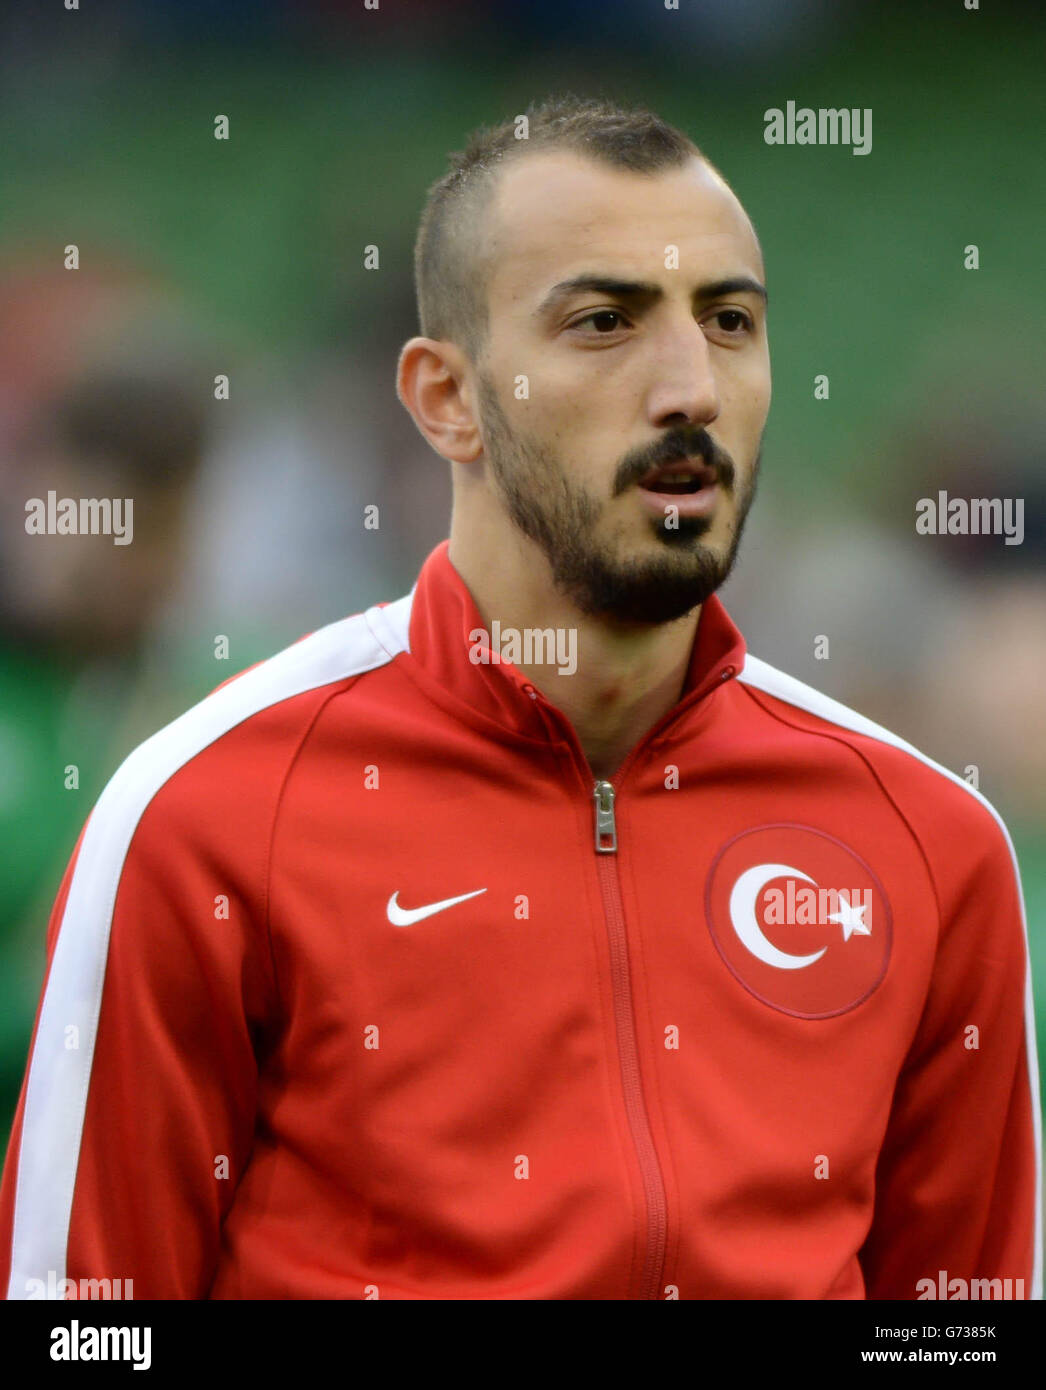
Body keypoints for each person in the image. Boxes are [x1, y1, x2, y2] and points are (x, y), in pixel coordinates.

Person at [1, 95, 1039, 1301]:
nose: (689, 387)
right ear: (447, 399)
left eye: (729, 321)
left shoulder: (928, 844)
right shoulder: (204, 814)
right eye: (604, 322)